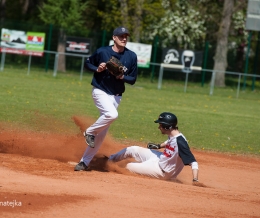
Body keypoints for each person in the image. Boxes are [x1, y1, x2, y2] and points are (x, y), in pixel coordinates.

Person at [74, 26, 138, 171]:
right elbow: (88, 63)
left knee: (101, 134)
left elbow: (133, 79)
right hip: (100, 90)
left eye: (126, 36)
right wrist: (98, 68)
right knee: (112, 114)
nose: (124, 39)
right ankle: (89, 131)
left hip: (116, 96)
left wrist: (122, 76)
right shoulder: (103, 51)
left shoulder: (131, 56)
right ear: (114, 38)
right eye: (121, 36)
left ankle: (84, 162)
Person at [108, 112, 199, 182]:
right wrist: (159, 146)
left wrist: (195, 179)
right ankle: (108, 160)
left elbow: (193, 162)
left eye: (161, 125)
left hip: (162, 172)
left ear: (167, 127)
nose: (159, 127)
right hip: (159, 159)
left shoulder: (181, 143)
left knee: (129, 166)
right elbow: (170, 141)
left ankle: (110, 167)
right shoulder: (175, 134)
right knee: (133, 149)